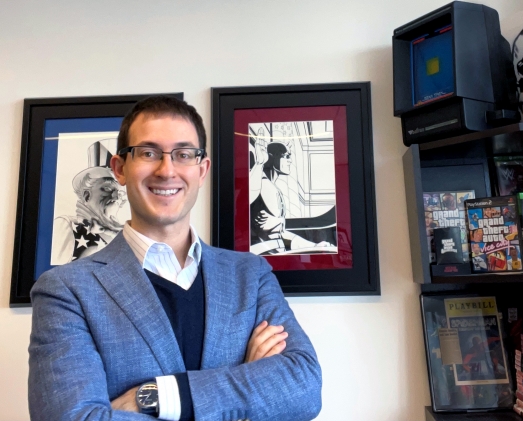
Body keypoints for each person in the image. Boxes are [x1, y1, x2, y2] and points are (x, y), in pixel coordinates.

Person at [29, 96, 322, 421]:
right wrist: (245, 395)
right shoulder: (66, 291)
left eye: (184, 154)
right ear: (120, 168)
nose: (166, 170)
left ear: (202, 169)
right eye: (148, 152)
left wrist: (155, 397)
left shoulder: (251, 275)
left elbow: (303, 388)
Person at [249, 138, 332, 255]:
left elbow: (281, 234)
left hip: (276, 252)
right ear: (273, 157)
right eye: (286, 156)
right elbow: (248, 195)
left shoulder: (274, 189)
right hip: (261, 254)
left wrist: (314, 246)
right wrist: (260, 163)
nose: (290, 161)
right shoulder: (259, 182)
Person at [51, 143, 128, 265]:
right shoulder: (67, 225)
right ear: (87, 195)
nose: (116, 196)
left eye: (119, 191)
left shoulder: (124, 234)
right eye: (107, 189)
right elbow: (53, 274)